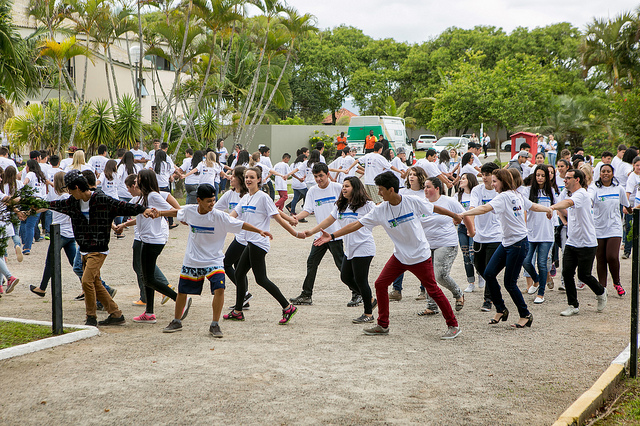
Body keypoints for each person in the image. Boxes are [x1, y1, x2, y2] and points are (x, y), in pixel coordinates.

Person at [314, 171, 462, 339]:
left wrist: (454, 215)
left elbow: (435, 208)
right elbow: (357, 224)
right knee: (380, 284)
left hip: (420, 256)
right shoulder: (381, 210)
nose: (378, 193)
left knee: (433, 289)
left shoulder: (411, 201)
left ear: (391, 189)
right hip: (399, 257)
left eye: (381, 189)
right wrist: (332, 236)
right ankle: (383, 325)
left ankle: (453, 325)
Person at [150, 184, 272, 336]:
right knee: (182, 291)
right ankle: (177, 321)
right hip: (192, 259)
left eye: (214, 200)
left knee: (220, 289)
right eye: (208, 201)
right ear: (199, 200)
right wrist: (160, 213)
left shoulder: (219, 216)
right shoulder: (189, 211)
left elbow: (240, 224)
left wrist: (259, 230)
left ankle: (215, 324)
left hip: (214, 260)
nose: (212, 204)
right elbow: (178, 212)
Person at [45, 170, 153, 326]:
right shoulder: (72, 202)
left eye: (69, 189)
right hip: (84, 248)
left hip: (98, 249)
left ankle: (91, 317)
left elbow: (122, 205)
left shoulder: (101, 199)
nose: (68, 192)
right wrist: (28, 204)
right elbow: (52, 205)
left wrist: (143, 210)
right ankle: (116, 314)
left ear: (77, 187)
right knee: (95, 282)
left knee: (86, 281)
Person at [461, 169, 551, 328]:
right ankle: (501, 309)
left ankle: (525, 314)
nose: (492, 184)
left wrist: (463, 214)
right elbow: (534, 206)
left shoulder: (504, 196)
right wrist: (548, 209)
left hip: (518, 244)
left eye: (495, 181)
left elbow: (483, 209)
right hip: (507, 243)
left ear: (503, 181)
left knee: (509, 283)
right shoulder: (517, 194)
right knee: (489, 273)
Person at [223, 166, 300, 325]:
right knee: (239, 274)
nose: (248, 180)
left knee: (261, 279)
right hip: (250, 242)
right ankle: (238, 311)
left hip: (259, 243)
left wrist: (295, 233)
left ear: (259, 179)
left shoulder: (263, 197)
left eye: (252, 177)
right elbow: (231, 217)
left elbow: (278, 218)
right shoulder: (245, 198)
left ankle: (287, 307)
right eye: (246, 177)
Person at [302, 177, 377, 323]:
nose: (343, 189)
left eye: (347, 186)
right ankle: (371, 299)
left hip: (363, 247)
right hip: (350, 248)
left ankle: (368, 314)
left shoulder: (367, 205)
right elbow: (329, 220)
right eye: (343, 186)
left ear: (355, 188)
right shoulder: (341, 205)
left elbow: (360, 224)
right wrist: (312, 231)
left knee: (361, 280)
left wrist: (332, 235)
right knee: (345, 277)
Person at [290, 163, 361, 306]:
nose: (318, 179)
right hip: (320, 236)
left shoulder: (337, 188)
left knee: (341, 265)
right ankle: (306, 295)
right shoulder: (312, 191)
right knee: (311, 262)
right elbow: (308, 210)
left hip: (335, 235)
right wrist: (296, 217)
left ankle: (357, 293)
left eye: (321, 175)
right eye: (316, 176)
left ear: (328, 174)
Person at [128, 169, 187, 324]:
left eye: (138, 179)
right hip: (146, 239)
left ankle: (180, 299)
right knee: (146, 276)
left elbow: (176, 211)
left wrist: (160, 213)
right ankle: (149, 313)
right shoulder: (142, 197)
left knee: (148, 278)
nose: (136, 182)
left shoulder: (153, 195)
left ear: (144, 181)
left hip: (153, 241)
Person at [549, 169, 608, 316]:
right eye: (565, 178)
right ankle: (573, 305)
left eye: (568, 178)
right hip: (572, 242)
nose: (565, 180)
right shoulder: (571, 194)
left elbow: (568, 203)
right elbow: (566, 205)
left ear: (577, 180)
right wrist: (558, 211)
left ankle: (601, 292)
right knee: (567, 273)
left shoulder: (582, 194)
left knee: (584, 275)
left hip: (587, 243)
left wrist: (553, 207)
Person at [417, 178, 469, 316]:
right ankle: (431, 305)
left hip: (446, 243)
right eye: (424, 187)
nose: (425, 190)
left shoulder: (449, 201)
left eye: (428, 187)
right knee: (427, 276)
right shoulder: (421, 203)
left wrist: (470, 230)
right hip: (426, 245)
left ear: (437, 188)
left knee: (440, 274)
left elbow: (464, 214)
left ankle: (458, 293)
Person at [31, 172, 77, 296]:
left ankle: (42, 288)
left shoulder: (63, 197)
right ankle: (86, 287)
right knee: (75, 263)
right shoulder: (66, 196)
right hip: (69, 234)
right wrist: (32, 211)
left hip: (60, 233)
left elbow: (49, 207)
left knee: (50, 261)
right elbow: (48, 207)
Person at [389, 166, 428, 301]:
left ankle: (423, 290)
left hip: (421, 231)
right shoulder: (403, 192)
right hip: (403, 232)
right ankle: (396, 289)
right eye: (410, 174)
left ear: (421, 177)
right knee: (400, 257)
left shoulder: (425, 193)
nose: (411, 177)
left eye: (415, 175)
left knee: (422, 261)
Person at [592, 164, 628, 297]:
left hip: (614, 227)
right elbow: (589, 201)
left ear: (613, 173)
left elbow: (627, 205)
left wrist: (631, 213)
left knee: (612, 256)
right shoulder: (595, 188)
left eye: (608, 171)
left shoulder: (618, 189)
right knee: (600, 258)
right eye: (603, 171)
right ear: (599, 173)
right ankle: (602, 288)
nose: (605, 174)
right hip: (598, 228)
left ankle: (617, 282)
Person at [521, 165, 556, 304]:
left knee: (542, 263)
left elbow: (555, 208)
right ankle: (536, 280)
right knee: (525, 261)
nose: (540, 178)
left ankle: (541, 293)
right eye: (538, 175)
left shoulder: (551, 191)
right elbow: (524, 210)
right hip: (530, 232)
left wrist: (551, 213)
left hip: (546, 233)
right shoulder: (527, 191)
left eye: (543, 175)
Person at [470, 162, 501, 311]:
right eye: (483, 174)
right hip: (479, 236)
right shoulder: (477, 190)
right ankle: (493, 285)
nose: (485, 178)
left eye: (487, 175)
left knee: (489, 269)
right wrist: (471, 226)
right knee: (479, 266)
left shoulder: (500, 191)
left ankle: (488, 299)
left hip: (496, 235)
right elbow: (473, 207)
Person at [20, 159, 48, 255]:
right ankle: (27, 247)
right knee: (31, 225)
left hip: (29, 200)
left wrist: (21, 186)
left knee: (23, 222)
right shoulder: (41, 176)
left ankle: (25, 243)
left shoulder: (30, 174)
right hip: (39, 201)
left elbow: (25, 182)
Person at [458, 173, 478, 293]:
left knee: (473, 254)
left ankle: (480, 274)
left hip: (474, 228)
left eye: (464, 178)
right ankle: (471, 282)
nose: (461, 180)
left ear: (470, 180)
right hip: (462, 228)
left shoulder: (475, 195)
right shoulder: (458, 196)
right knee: (466, 255)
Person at [285, 150, 308, 219]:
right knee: (307, 196)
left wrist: (297, 178)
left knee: (295, 198)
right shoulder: (303, 164)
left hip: (294, 184)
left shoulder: (293, 164)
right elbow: (306, 172)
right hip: (301, 184)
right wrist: (301, 178)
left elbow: (292, 173)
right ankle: (305, 210)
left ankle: (292, 211)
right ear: (304, 159)